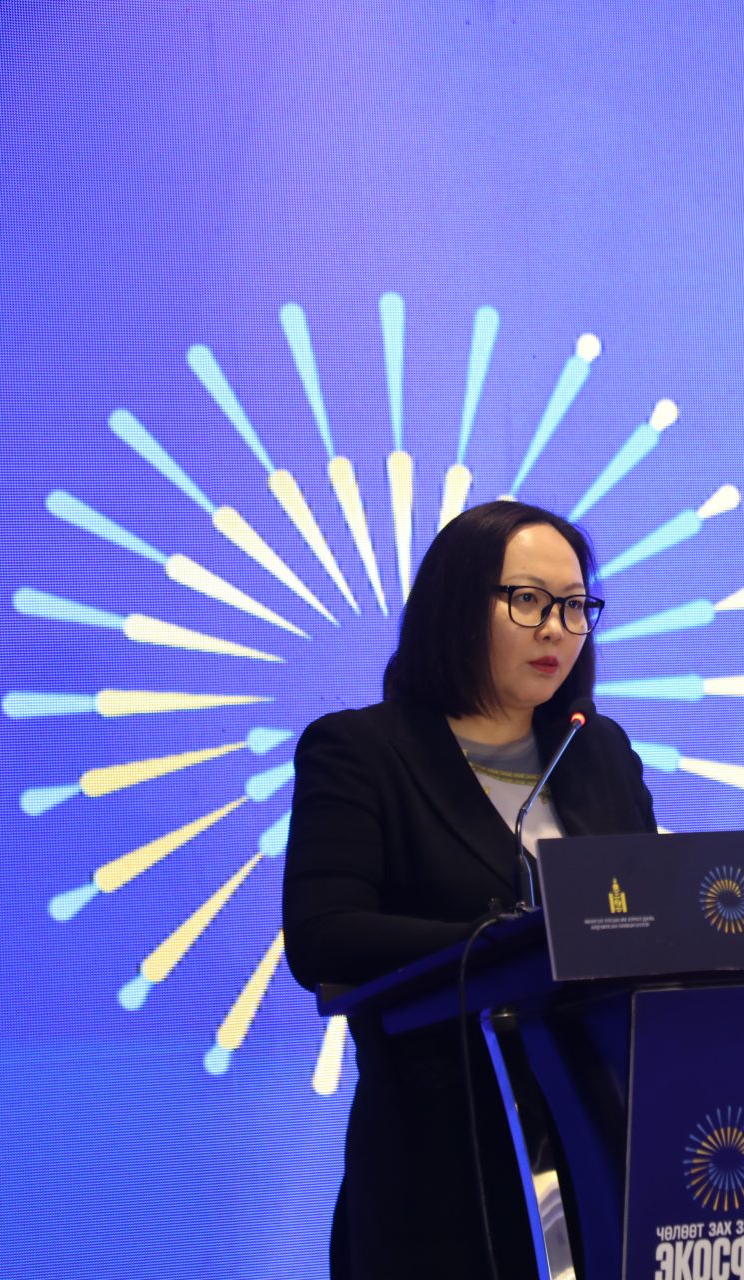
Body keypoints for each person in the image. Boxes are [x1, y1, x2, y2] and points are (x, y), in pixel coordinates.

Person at [283, 500, 657, 1279]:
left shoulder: (599, 751)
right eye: (528, 601)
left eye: (575, 606)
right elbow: (324, 932)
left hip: (607, 1151)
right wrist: (512, 944)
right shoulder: (361, 753)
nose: (556, 627)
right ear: (456, 607)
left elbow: (646, 921)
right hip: (443, 1167)